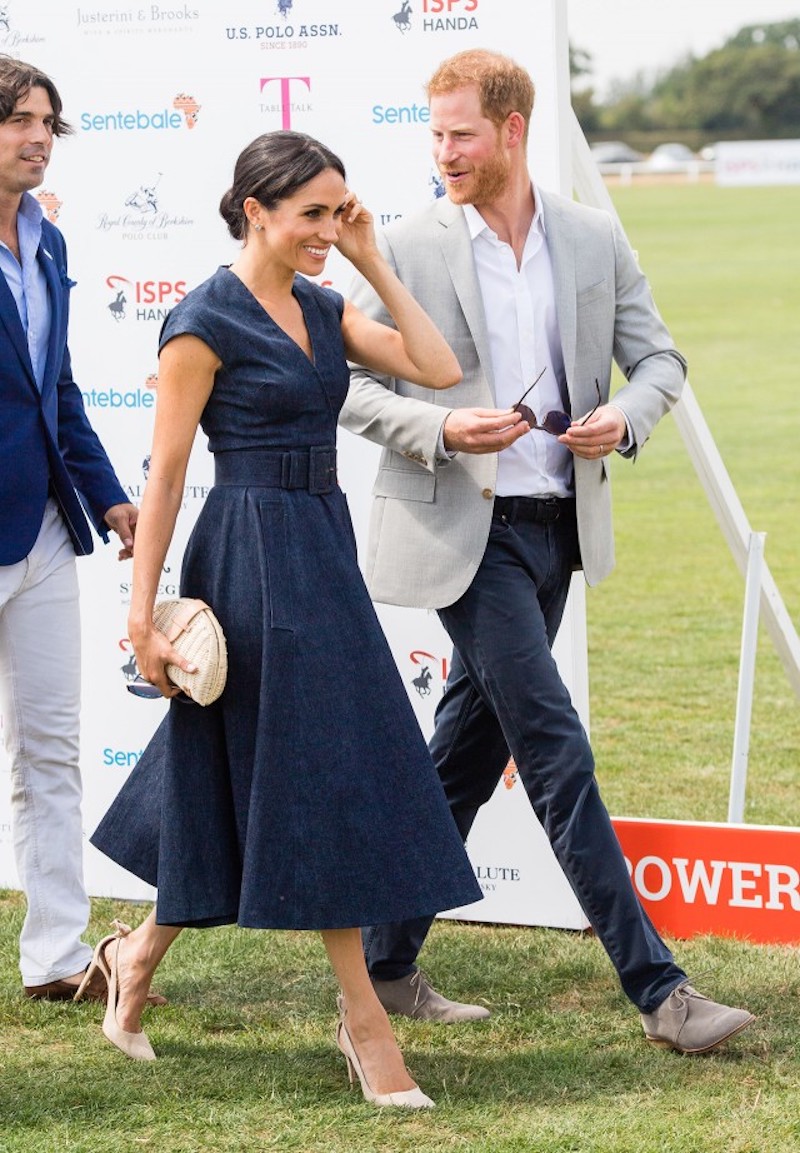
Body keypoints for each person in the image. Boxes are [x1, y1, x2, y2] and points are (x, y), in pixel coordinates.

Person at [340, 48, 755, 1054]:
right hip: (463, 534)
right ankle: (661, 992)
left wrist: (625, 414)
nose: (443, 152)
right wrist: (442, 428)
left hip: (555, 533)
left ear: (512, 130)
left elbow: (659, 357)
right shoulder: (406, 244)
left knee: (465, 756)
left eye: (461, 135)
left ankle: (384, 964)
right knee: (555, 747)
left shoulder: (589, 236)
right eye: (435, 135)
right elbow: (345, 383)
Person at [89, 130, 482, 1107]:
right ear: (255, 210)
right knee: (311, 765)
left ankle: (135, 956)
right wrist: (141, 617)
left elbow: (436, 367)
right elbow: (166, 476)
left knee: (236, 771)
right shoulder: (199, 321)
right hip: (248, 552)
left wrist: (371, 258)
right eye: (312, 213)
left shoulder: (323, 303)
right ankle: (364, 1021)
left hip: (321, 543)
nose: (326, 230)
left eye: (338, 212)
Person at [0, 57, 139, 1001]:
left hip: (45, 530)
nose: (39, 137)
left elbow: (58, 387)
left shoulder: (45, 238)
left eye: (47, 121)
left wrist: (108, 495)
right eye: (19, 119)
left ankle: (55, 957)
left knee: (50, 745)